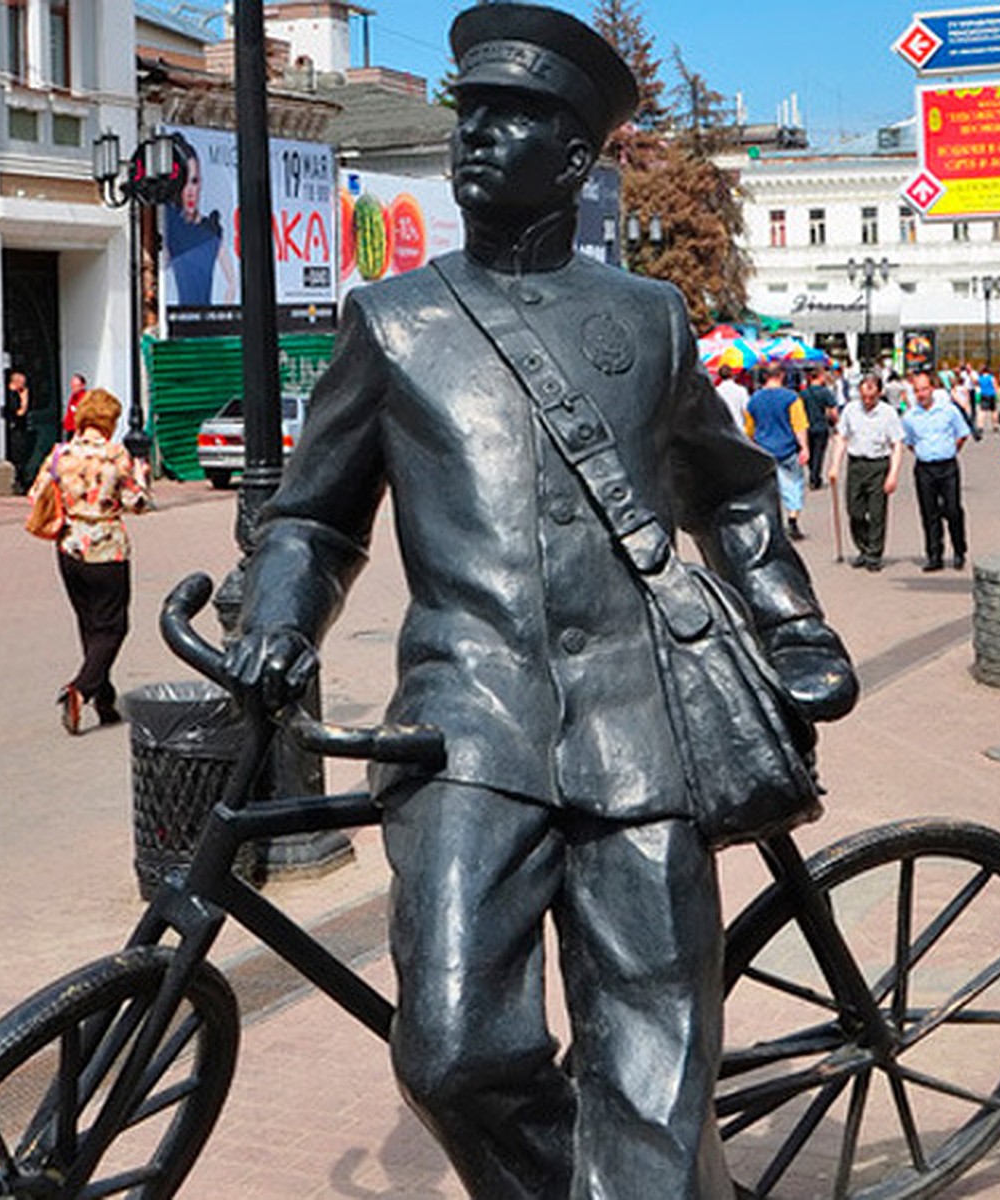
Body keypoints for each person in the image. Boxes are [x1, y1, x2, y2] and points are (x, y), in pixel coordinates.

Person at [222, 6, 857, 1196]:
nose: (473, 139)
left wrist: (796, 627)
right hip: (469, 733)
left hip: (641, 734)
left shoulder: (649, 318)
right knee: (458, 1049)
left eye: (508, 121)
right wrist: (276, 620)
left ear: (572, 159)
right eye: (469, 116)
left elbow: (734, 494)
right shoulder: (395, 320)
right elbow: (311, 514)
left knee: (659, 1056)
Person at [29, 388, 149, 734]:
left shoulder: (60, 454)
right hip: (107, 548)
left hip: (69, 547)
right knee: (113, 626)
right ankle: (80, 690)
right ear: (110, 421)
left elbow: (36, 494)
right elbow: (136, 502)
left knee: (89, 623)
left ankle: (104, 699)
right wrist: (140, 477)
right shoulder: (116, 455)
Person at [827, 374, 904, 572]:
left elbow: (896, 444)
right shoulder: (851, 410)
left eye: (871, 397)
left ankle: (874, 554)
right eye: (864, 397)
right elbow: (842, 438)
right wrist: (835, 465)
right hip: (856, 465)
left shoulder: (888, 413)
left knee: (877, 512)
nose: (867, 401)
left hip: (878, 465)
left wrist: (893, 474)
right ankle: (863, 546)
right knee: (855, 511)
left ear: (879, 393)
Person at [902, 369, 971, 572]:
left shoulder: (948, 411)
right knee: (929, 512)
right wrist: (925, 453)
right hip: (924, 468)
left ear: (932, 389)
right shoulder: (910, 417)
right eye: (917, 391)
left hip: (947, 466)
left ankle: (959, 550)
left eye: (924, 389)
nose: (921, 394)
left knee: (952, 510)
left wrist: (950, 450)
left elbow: (962, 434)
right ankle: (934, 555)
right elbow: (910, 443)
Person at [164, 133, 237, 307]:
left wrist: (224, 314)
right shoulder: (173, 227)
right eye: (184, 183)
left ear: (201, 183)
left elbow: (233, 282)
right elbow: (158, 269)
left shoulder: (211, 229)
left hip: (207, 320)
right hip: (180, 320)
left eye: (194, 181)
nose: (190, 191)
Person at [746, 362, 810, 539]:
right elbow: (799, 425)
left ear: (765, 376)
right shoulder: (791, 398)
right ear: (781, 375)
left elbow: (750, 428)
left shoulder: (754, 399)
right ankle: (792, 519)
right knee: (793, 484)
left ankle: (770, 524)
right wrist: (804, 447)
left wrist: (751, 445)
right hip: (787, 449)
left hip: (763, 450)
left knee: (766, 489)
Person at [801, 365, 837, 489]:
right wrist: (835, 423)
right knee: (819, 453)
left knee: (810, 452)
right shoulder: (825, 392)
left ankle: (813, 474)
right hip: (821, 426)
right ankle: (815, 478)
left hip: (807, 426)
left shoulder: (804, 393)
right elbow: (833, 411)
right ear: (820, 377)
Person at [2, 369, 32, 494]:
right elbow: (19, 413)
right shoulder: (12, 396)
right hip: (15, 430)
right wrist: (25, 400)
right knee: (18, 456)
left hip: (16, 429)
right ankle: (20, 483)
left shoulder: (10, 394)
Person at [714, 362, 749, 430]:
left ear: (719, 376)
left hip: (722, 429)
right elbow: (746, 410)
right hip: (739, 428)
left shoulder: (716, 391)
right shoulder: (741, 390)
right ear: (732, 374)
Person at [62, 372, 87, 439]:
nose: (73, 388)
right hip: (70, 429)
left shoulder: (85, 398)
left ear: (82, 385)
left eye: (76, 386)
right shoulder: (73, 397)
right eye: (72, 385)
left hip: (78, 430)